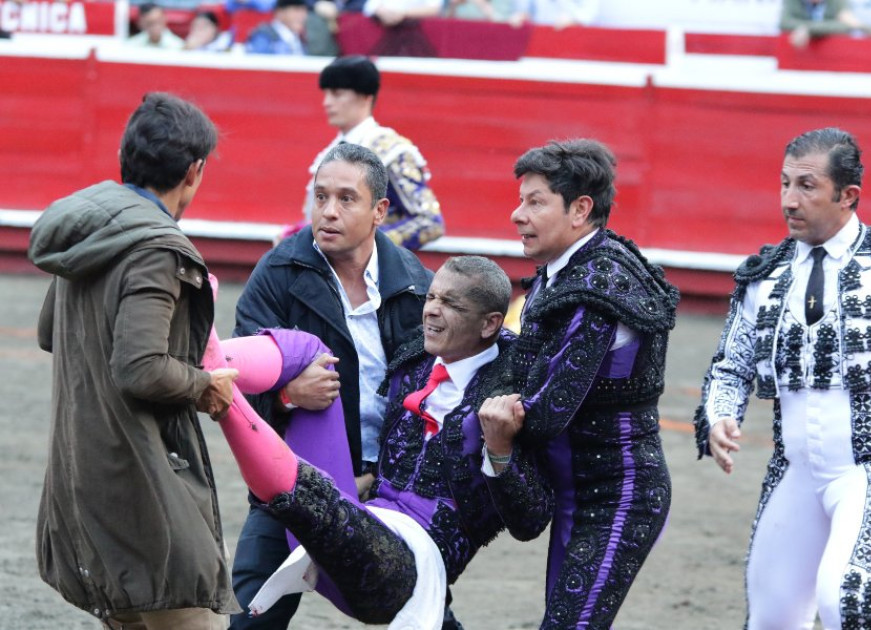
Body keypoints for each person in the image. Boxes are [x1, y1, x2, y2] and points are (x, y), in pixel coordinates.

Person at [209, 255, 551, 629]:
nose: (432, 311)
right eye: (432, 298)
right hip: (367, 519)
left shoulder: (516, 393)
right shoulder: (413, 364)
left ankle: (221, 396)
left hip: (412, 561)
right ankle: (205, 359)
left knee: (310, 500)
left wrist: (500, 451)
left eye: (450, 304)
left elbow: (530, 520)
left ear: (489, 324)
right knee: (311, 353)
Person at [693, 127, 871, 629]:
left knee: (846, 599)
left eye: (806, 186)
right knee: (771, 619)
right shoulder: (764, 274)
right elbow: (730, 367)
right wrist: (721, 415)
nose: (789, 200)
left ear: (847, 195)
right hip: (795, 469)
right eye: (784, 183)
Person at [27, 92, 239, 628]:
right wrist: (201, 383)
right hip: (140, 479)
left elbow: (51, 331)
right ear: (193, 172)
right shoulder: (155, 247)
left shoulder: (92, 229)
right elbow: (140, 367)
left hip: (83, 470)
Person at [229, 141, 435, 629]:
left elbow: (440, 389)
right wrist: (284, 396)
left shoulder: (417, 285)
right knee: (256, 607)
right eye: (320, 197)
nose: (328, 211)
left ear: (380, 210)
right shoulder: (278, 273)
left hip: (389, 486)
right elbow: (237, 378)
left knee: (424, 608)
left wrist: (388, 477)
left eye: (346, 199)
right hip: (298, 477)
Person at [479, 139, 678, 629]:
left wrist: (491, 426)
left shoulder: (597, 285)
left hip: (618, 494)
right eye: (521, 199)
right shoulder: (564, 271)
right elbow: (526, 365)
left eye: (535, 201)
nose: (516, 214)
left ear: (580, 209)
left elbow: (546, 410)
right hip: (576, 489)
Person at [292, 55, 444, 251]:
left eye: (337, 94)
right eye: (326, 93)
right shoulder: (332, 150)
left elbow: (430, 222)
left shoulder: (391, 151)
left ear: (365, 97)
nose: (326, 102)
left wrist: (365, 245)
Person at [780, 0, 871, 49]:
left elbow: (847, 25)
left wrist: (808, 29)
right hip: (799, 61)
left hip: (835, 57)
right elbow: (784, 22)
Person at [508, 0, 599, 28]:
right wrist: (522, 16)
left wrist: (574, 20)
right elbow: (527, 11)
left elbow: (588, 15)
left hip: (575, 41)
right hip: (541, 38)